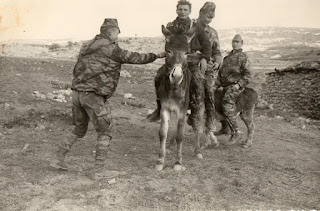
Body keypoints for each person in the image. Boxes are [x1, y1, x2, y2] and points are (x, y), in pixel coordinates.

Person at [50, 18, 165, 180]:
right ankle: (98, 171)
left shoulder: (87, 46)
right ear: (111, 32)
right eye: (118, 32)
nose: (118, 36)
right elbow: (135, 57)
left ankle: (58, 159)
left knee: (78, 128)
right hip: (94, 95)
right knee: (106, 130)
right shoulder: (111, 49)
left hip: (77, 93)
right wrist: (157, 55)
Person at [147, 0, 212, 123]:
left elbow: (206, 44)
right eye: (180, 9)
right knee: (158, 77)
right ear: (176, 10)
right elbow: (168, 45)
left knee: (198, 83)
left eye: (185, 10)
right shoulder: (170, 26)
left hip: (191, 60)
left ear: (190, 11)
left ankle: (194, 112)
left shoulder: (196, 26)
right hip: (174, 61)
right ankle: (160, 107)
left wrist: (205, 58)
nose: (182, 12)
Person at [189, 1, 222, 134]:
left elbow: (217, 51)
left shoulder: (213, 32)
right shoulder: (190, 27)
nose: (209, 20)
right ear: (201, 13)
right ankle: (193, 119)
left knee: (209, 91)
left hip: (207, 67)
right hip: (191, 63)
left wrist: (218, 61)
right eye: (208, 17)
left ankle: (210, 123)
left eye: (211, 18)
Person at [213, 34, 252, 144]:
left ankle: (236, 132)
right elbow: (221, 75)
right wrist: (214, 87)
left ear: (242, 43)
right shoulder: (226, 58)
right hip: (225, 86)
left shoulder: (244, 58)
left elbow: (248, 75)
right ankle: (225, 128)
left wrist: (239, 84)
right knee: (215, 101)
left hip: (236, 86)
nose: (235, 43)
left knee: (226, 104)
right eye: (233, 41)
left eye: (237, 41)